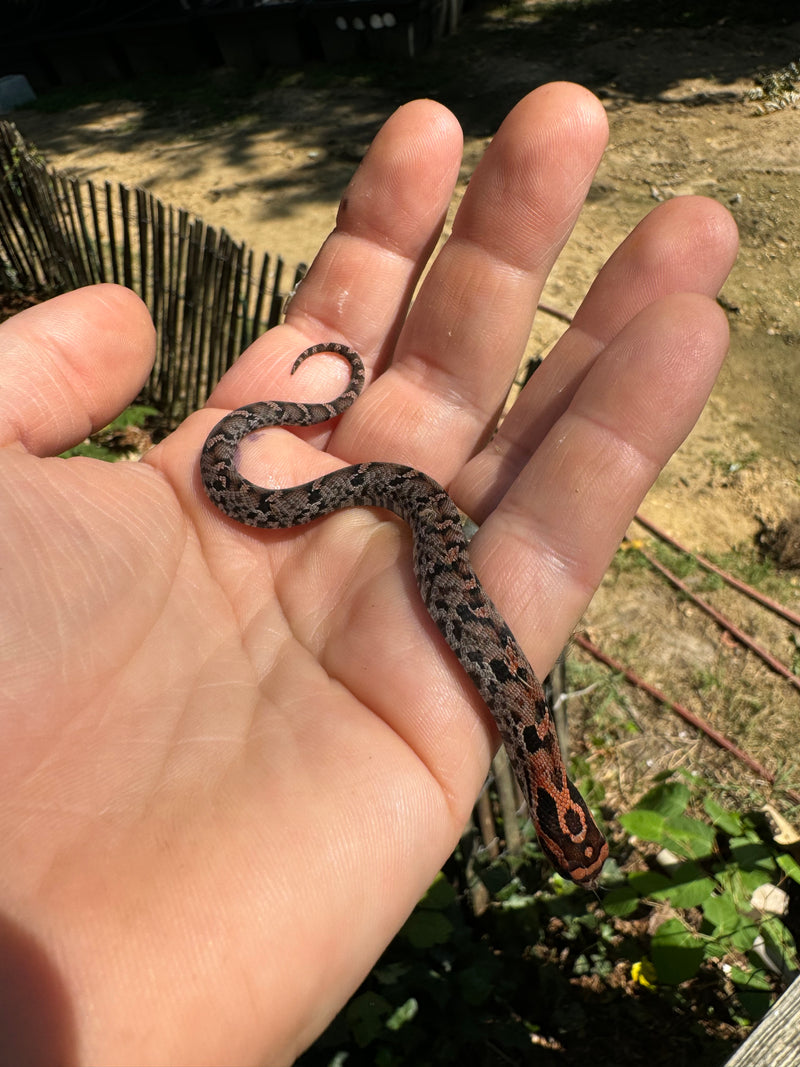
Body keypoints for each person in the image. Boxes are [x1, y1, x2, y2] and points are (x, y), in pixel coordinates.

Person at [0, 82, 737, 1064]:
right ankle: (299, 415)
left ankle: (303, 418)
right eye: (568, 840)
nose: (565, 837)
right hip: (381, 497)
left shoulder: (529, 739)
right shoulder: (524, 740)